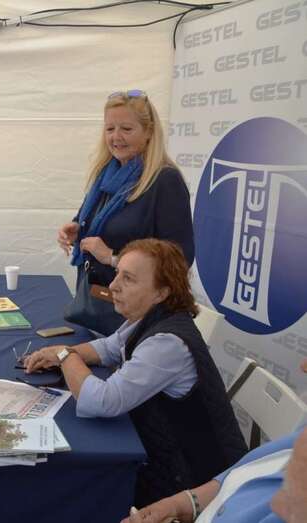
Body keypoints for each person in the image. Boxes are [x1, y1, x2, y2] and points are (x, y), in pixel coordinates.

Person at [25, 238, 247, 507]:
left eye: (128, 279)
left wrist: (64, 355)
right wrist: (61, 354)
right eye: (118, 274)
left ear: (161, 293)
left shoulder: (168, 343)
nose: (113, 285)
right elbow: (109, 347)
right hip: (170, 458)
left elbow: (102, 401)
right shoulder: (150, 317)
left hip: (194, 480)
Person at [59, 90, 194, 335]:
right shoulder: (106, 175)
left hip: (137, 322)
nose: (116, 137)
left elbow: (179, 261)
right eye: (110, 129)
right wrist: (77, 227)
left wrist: (112, 257)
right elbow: (99, 222)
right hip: (99, 308)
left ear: (149, 131)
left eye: (126, 129)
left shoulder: (165, 181)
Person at [122, 358, 307, 523]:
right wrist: (182, 504)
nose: (304, 366)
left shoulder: (167, 341)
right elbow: (243, 472)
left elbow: (106, 400)